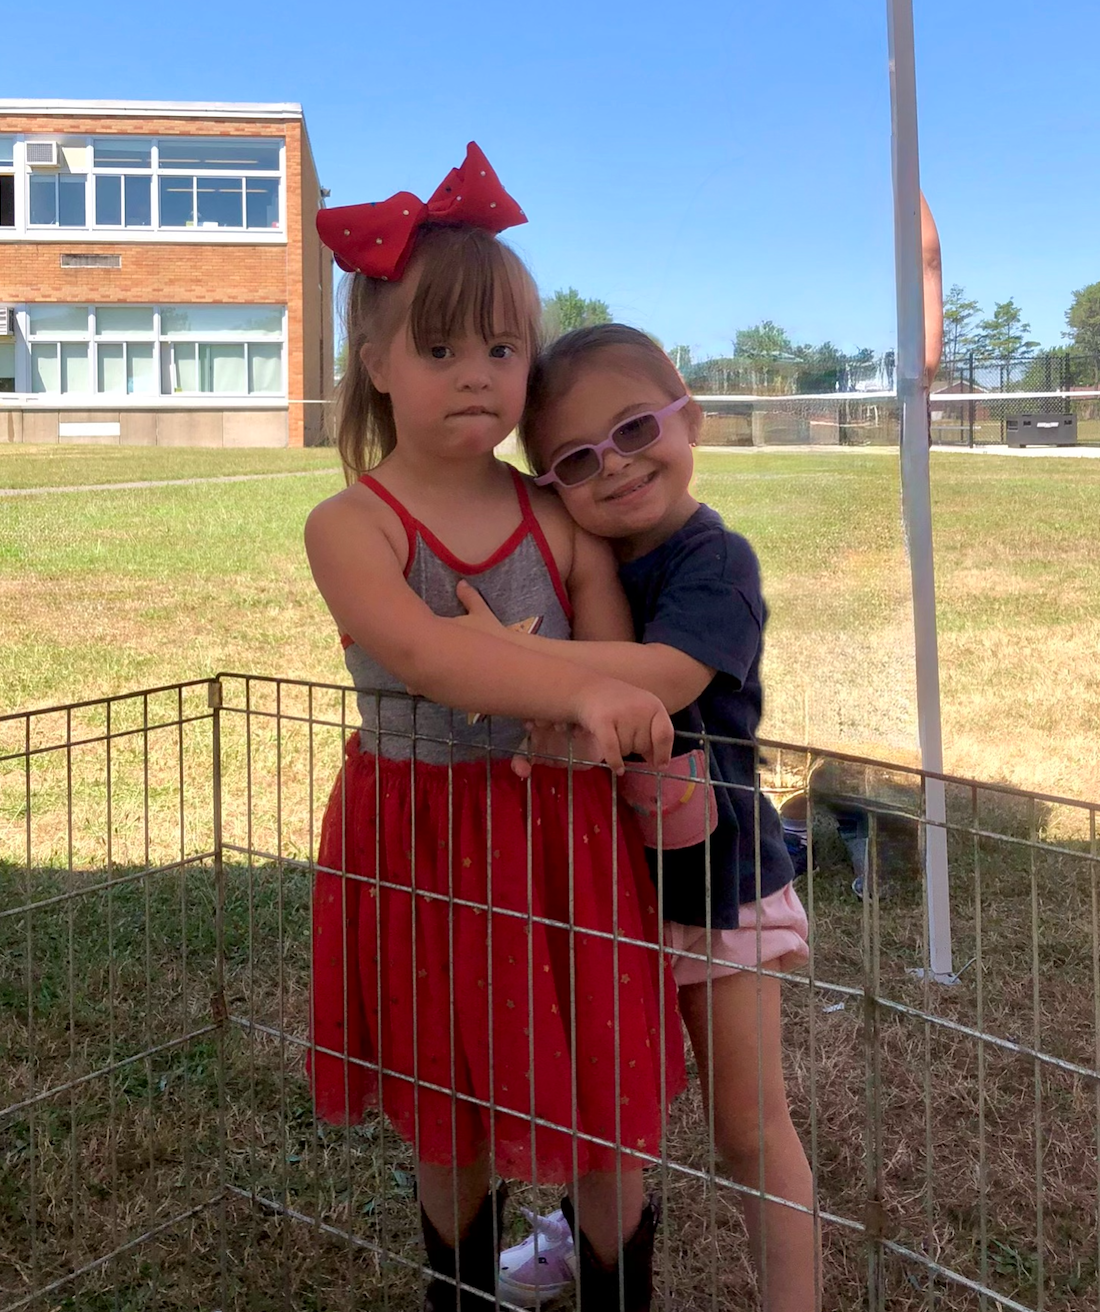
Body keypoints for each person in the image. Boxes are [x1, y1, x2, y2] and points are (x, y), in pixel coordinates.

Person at [304, 146, 685, 1312]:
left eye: (502, 349)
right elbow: (422, 653)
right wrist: (558, 684)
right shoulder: (348, 523)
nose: (476, 375)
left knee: (601, 1078)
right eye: (437, 348)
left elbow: (617, 656)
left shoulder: (555, 513)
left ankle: (620, 1288)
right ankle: (459, 1292)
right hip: (420, 832)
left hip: (563, 839)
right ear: (372, 362)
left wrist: (577, 691)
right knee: (449, 1080)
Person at [457, 324, 819, 1311]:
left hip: (719, 890)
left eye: (633, 428)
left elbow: (661, 679)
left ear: (689, 417)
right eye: (575, 459)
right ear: (548, 481)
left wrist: (509, 665)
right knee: (603, 1104)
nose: (612, 464)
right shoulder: (578, 563)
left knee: (746, 1125)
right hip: (605, 887)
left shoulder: (716, 563)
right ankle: (592, 1240)